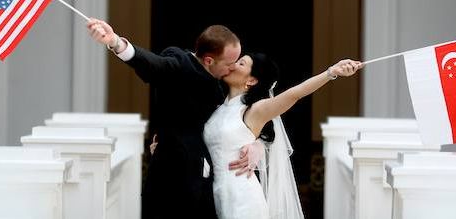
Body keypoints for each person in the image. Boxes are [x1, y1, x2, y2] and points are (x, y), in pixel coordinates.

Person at [86, 19, 263, 219]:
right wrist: (116, 42)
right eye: (230, 63)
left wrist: (258, 145)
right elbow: (153, 64)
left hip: (208, 186)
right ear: (208, 61)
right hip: (172, 181)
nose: (232, 69)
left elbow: (246, 118)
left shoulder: (223, 83)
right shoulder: (179, 64)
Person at [203, 52, 361, 219]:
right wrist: (258, 145)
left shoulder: (255, 110)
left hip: (242, 200)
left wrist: (332, 72)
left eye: (241, 64)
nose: (233, 65)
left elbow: (295, 93)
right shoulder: (219, 108)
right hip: (216, 196)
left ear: (252, 80)